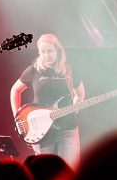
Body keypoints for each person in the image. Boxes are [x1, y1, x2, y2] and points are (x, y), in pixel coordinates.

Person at [9, 34, 85, 166]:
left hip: (67, 129)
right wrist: (18, 119)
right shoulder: (33, 70)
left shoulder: (69, 70)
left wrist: (74, 109)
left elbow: (80, 94)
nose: (46, 55)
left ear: (58, 51)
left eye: (49, 51)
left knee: (69, 173)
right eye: (43, 52)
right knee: (45, 174)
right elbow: (15, 90)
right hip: (41, 132)